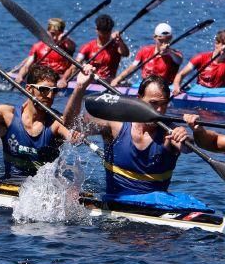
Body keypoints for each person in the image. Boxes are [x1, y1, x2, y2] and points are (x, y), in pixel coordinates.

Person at [0, 54, 89, 181]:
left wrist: (80, 87)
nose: (50, 96)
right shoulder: (8, 115)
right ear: (29, 89)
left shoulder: (55, 122)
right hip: (10, 184)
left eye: (53, 91)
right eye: (44, 90)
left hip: (43, 191)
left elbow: (69, 130)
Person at [83, 75, 201, 209]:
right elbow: (72, 123)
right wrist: (80, 88)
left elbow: (187, 148)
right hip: (116, 203)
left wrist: (189, 136)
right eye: (154, 103)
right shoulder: (115, 125)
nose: (159, 110)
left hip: (155, 208)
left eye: (164, 104)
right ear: (139, 100)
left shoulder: (170, 131)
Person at [171, 29, 225, 97]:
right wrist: (176, 86)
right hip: (200, 93)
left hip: (222, 95)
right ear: (216, 43)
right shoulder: (201, 58)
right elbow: (181, 75)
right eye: (224, 44)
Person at [66, 14, 129, 86]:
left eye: (107, 32)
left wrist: (120, 40)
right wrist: (64, 79)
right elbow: (74, 65)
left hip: (109, 83)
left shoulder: (116, 45)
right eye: (103, 32)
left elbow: (126, 54)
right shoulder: (88, 47)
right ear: (96, 30)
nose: (105, 35)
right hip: (91, 81)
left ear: (111, 30)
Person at [112, 22, 182, 86]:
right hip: (146, 86)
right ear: (154, 37)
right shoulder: (145, 51)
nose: (164, 44)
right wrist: (118, 79)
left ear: (171, 39)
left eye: (167, 40)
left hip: (164, 88)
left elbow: (179, 60)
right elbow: (132, 68)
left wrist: (169, 52)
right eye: (161, 41)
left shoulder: (175, 55)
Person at [12, 18, 76, 84]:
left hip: (60, 77)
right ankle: (13, 72)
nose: (55, 38)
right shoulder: (37, 46)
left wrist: (66, 38)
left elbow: (72, 46)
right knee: (28, 60)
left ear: (62, 34)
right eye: (52, 34)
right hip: (40, 75)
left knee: (74, 66)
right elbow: (26, 66)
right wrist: (20, 76)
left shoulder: (67, 45)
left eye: (58, 34)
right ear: (47, 32)